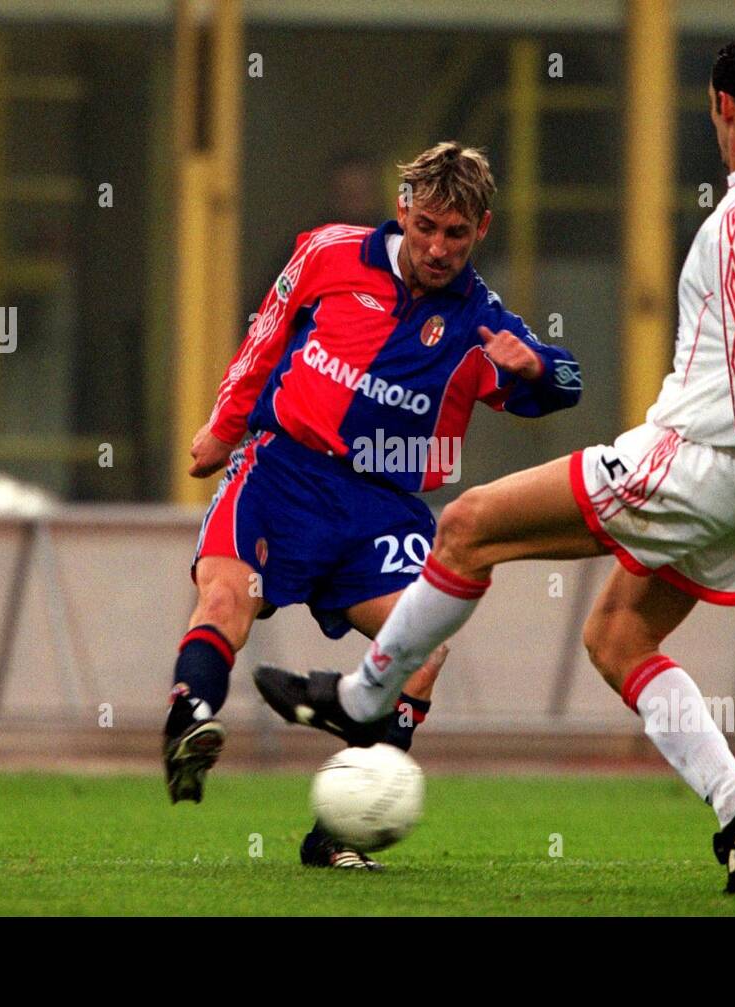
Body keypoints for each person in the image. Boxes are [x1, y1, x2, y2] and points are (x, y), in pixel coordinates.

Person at [255, 33, 735, 893]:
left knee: (467, 526)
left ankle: (361, 698)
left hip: (693, 459)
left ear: (719, 106)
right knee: (619, 635)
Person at [166, 142, 584, 868]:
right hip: (282, 471)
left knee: (421, 652)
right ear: (402, 211)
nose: (437, 247)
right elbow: (265, 336)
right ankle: (189, 722)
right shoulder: (329, 253)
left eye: (456, 233)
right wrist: (222, 426)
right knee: (226, 595)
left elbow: (561, 381)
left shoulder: (478, 320)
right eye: (426, 225)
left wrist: (543, 367)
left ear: (481, 229)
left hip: (379, 509)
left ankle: (339, 835)